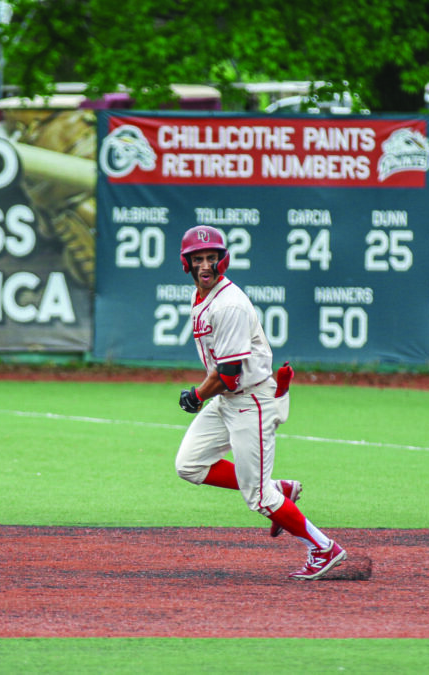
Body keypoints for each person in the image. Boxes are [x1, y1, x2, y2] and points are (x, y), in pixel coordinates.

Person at [173, 224, 347, 580]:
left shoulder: (230, 305)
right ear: (186, 264)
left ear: (223, 261)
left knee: (259, 499)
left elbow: (230, 373)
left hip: (248, 402)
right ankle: (281, 489)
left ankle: (323, 547)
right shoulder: (204, 297)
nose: (205, 265)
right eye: (198, 259)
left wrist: (195, 395)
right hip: (228, 402)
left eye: (211, 258)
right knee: (190, 465)